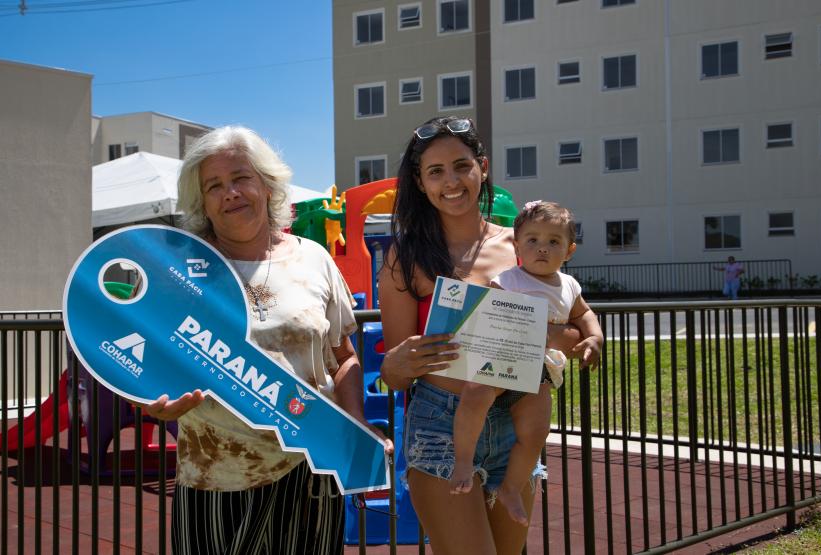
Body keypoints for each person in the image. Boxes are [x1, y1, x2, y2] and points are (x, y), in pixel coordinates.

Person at [140, 126, 393, 555]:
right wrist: (147, 401)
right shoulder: (180, 268)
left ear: (267, 184)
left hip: (311, 469)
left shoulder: (313, 258)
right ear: (202, 201)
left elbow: (344, 356)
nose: (230, 193)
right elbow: (146, 363)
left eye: (241, 177)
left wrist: (356, 420)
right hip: (214, 475)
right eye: (214, 186)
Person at [377, 116, 583, 554]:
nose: (451, 181)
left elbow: (572, 325)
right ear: (420, 182)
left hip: (516, 418)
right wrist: (395, 364)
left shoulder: (523, 245)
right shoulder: (405, 256)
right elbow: (395, 374)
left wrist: (559, 336)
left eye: (461, 166)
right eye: (435, 172)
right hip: (440, 424)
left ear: (482, 168)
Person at [450, 200, 604, 527]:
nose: (542, 248)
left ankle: (511, 488)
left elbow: (584, 314)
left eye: (553, 241)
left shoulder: (569, 286)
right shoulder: (508, 280)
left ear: (570, 250)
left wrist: (594, 338)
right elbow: (488, 316)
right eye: (532, 240)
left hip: (540, 372)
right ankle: (463, 461)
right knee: (475, 394)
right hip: (502, 360)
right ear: (517, 246)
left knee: (535, 432)